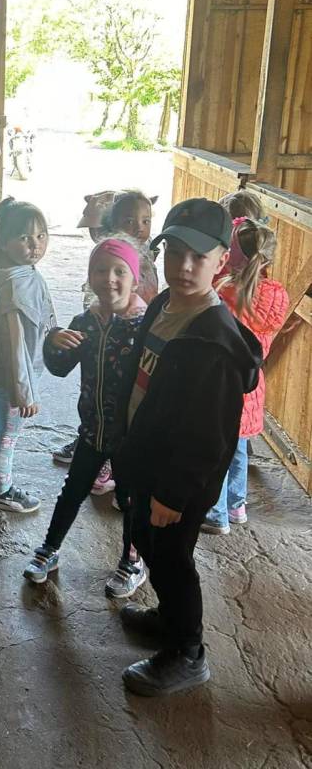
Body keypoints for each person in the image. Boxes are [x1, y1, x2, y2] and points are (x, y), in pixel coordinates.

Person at [115, 198, 263, 697]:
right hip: (151, 460)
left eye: (198, 257)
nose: (183, 266)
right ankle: (169, 617)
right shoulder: (164, 305)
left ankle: (188, 652)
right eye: (174, 252)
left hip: (179, 479)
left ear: (221, 260)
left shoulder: (213, 342)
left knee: (172, 559)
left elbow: (208, 436)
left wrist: (173, 494)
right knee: (148, 542)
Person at [23, 240, 146, 598]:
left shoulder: (145, 326)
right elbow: (60, 368)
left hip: (131, 437)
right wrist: (53, 341)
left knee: (131, 500)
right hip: (92, 430)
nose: (109, 279)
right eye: (101, 270)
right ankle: (49, 549)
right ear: (90, 277)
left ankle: (132, 561)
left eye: (120, 271)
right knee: (73, 490)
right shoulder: (86, 323)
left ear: (135, 279)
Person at [56, 188, 159, 477]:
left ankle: (113, 462)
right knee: (96, 395)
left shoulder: (146, 261)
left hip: (134, 339)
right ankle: (92, 447)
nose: (139, 227)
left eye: (146, 221)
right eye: (129, 221)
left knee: (128, 405)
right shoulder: (108, 256)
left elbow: (150, 299)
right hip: (103, 342)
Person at [202, 218, 288, 534]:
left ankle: (216, 513)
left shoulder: (225, 291)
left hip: (222, 384)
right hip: (251, 384)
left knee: (218, 451)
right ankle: (236, 505)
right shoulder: (276, 296)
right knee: (238, 448)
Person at [0, 198, 55, 513]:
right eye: (24, 237)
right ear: (3, 242)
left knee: (0, 425)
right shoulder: (14, 288)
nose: (35, 245)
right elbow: (15, 347)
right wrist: (24, 393)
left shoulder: (20, 271)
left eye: (41, 236)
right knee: (8, 434)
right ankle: (1, 490)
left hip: (11, 375)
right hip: (13, 377)